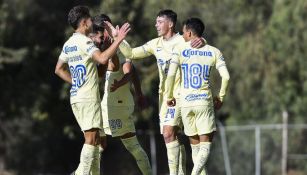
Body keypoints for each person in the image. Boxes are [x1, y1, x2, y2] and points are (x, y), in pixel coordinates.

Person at [108, 9, 205, 175]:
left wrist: (202, 40)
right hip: (165, 98)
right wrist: (119, 38)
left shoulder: (183, 40)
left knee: (169, 134)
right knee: (173, 136)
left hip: (182, 96)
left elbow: (200, 43)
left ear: (171, 24)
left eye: (160, 22)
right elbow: (131, 53)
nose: (156, 25)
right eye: (156, 21)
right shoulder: (155, 44)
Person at [54, 5, 130, 175]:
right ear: (84, 23)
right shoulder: (85, 41)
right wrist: (118, 40)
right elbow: (102, 59)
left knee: (96, 142)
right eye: (89, 19)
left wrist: (75, 83)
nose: (90, 22)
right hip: (88, 98)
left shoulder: (69, 44)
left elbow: (58, 69)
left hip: (76, 97)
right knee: (92, 140)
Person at [165, 18, 230, 175]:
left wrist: (169, 96)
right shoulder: (214, 51)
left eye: (184, 32)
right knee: (205, 146)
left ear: (189, 32)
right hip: (203, 102)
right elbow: (226, 77)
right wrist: (220, 96)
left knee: (195, 148)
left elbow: (171, 75)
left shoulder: (179, 50)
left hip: (185, 104)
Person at [89, 14, 152, 175]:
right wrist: (139, 95)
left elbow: (121, 70)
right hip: (122, 102)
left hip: (113, 104)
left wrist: (121, 83)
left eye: (99, 34)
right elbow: (132, 70)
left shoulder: (112, 49)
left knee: (97, 145)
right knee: (132, 146)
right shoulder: (123, 46)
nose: (98, 39)